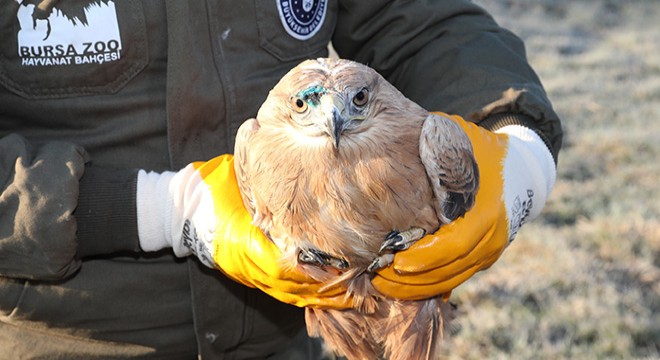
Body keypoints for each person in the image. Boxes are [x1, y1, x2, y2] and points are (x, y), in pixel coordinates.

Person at [0, 1, 561, 359]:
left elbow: (418, 21)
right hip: (66, 336)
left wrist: (520, 146)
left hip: (281, 335)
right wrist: (161, 209)